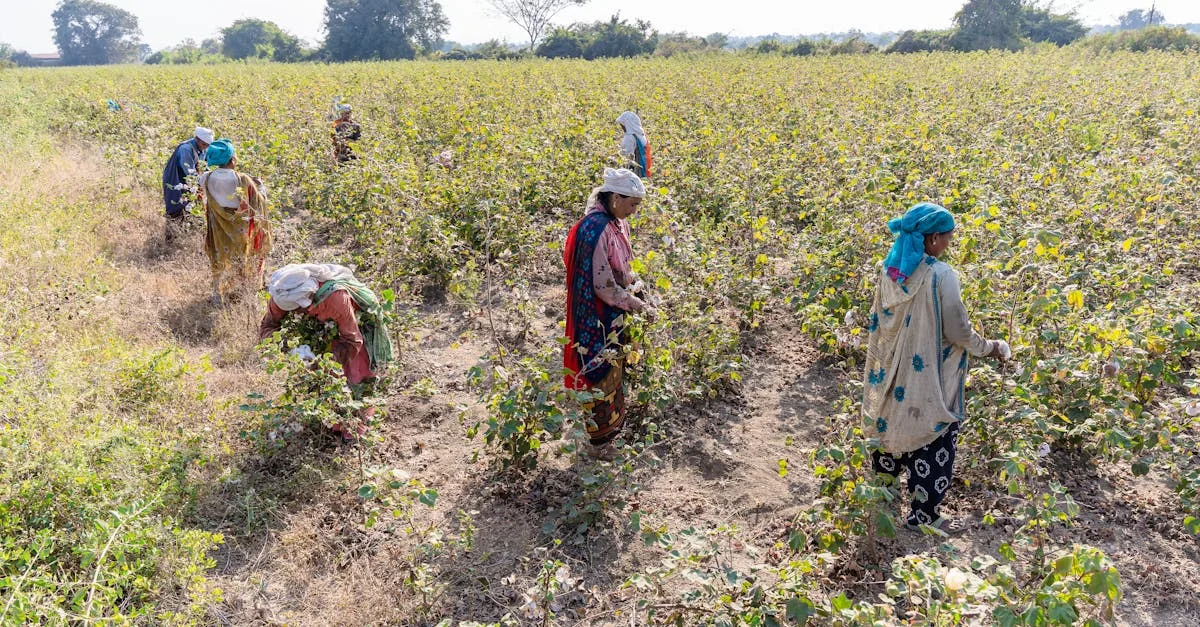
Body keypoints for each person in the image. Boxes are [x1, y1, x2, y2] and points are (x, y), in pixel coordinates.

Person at [862, 202, 1009, 534]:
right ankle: (922, 514)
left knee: (892, 419)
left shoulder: (889, 271)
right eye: (947, 236)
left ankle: (882, 491)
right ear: (931, 239)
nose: (950, 242)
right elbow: (958, 331)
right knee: (933, 427)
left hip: (892, 369)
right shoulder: (941, 275)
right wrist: (991, 348)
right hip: (931, 371)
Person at [563, 168, 653, 459]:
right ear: (615, 197)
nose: (634, 211)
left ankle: (609, 435)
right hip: (594, 313)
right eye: (632, 204)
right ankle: (598, 445)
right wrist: (638, 304)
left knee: (613, 370)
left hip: (610, 309)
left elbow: (622, 270)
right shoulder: (596, 229)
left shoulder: (614, 222)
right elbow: (603, 285)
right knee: (599, 372)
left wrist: (640, 289)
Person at [259, 263, 394, 441]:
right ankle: (335, 422)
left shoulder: (335, 298)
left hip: (355, 327)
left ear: (308, 298)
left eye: (298, 309)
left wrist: (323, 363)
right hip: (323, 329)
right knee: (324, 382)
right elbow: (268, 326)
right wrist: (292, 349)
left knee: (356, 374)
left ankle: (357, 429)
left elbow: (352, 341)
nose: (296, 312)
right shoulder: (282, 294)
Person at [199, 139, 272, 305]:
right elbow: (260, 201)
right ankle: (246, 294)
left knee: (220, 258)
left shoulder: (206, 178)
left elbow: (206, 200)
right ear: (232, 159)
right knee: (244, 258)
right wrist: (260, 186)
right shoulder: (243, 179)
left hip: (218, 228)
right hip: (241, 228)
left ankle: (218, 295)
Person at [162, 126, 213, 239]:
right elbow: (189, 173)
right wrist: (203, 181)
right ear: (197, 139)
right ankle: (170, 240)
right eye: (204, 144)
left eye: (207, 145)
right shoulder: (186, 149)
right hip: (176, 180)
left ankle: (187, 235)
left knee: (192, 208)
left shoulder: (203, 149)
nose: (205, 148)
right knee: (176, 208)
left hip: (190, 182)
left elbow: (203, 166)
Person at [617, 111, 651, 179]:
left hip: (634, 172)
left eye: (622, 124)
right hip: (643, 169)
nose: (622, 127)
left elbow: (627, 158)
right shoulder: (641, 134)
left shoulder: (630, 138)